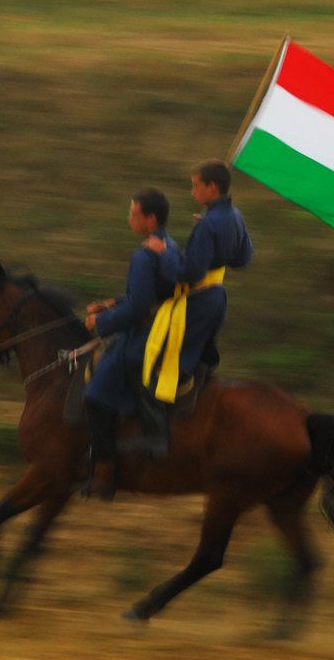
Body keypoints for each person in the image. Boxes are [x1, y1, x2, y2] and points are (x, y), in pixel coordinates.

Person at [82, 187, 177, 500]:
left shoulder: (143, 255)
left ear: (150, 219)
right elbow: (144, 297)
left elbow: (138, 309)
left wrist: (101, 323)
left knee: (95, 396)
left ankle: (105, 473)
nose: (129, 219)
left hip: (144, 338)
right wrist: (111, 303)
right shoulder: (168, 245)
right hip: (162, 328)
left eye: (133, 214)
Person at [143, 159, 252, 395]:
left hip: (197, 302)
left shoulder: (209, 223)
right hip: (218, 299)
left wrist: (163, 252)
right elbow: (243, 259)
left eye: (195, 185)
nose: (192, 192)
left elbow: (190, 273)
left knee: (155, 364)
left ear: (211, 187)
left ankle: (157, 423)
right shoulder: (235, 216)